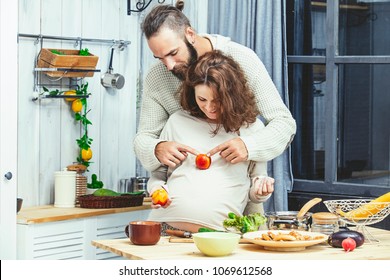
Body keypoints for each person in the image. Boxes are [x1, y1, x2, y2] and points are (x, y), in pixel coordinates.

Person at [134, 4, 296, 173]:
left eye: (173, 53)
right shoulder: (156, 76)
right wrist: (156, 148)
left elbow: (284, 123)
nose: (169, 66)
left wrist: (249, 146)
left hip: (240, 186)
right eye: (160, 58)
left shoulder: (243, 59)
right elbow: (144, 138)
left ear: (190, 34)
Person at [146, 50, 274, 232]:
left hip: (221, 235)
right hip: (165, 228)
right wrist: (158, 189)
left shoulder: (252, 130)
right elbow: (157, 176)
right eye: (202, 99)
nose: (209, 107)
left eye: (217, 100)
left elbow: (254, 189)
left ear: (232, 96)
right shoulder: (177, 121)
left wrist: (262, 191)